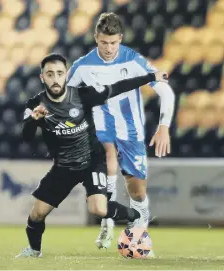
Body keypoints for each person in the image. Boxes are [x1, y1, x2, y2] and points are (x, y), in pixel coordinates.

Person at [16, 53, 168, 257]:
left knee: (98, 209)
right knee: (37, 214)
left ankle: (135, 215)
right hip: (63, 167)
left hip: (91, 161)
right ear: (42, 77)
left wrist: (150, 77)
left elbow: (117, 87)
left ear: (65, 75)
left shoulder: (82, 95)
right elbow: (25, 137)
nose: (55, 78)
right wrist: (33, 120)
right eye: (50, 74)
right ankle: (34, 251)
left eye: (60, 73)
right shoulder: (35, 105)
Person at [67, 12, 175, 249]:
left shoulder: (133, 60)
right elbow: (65, 100)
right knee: (106, 161)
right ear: (96, 38)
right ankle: (109, 223)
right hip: (101, 131)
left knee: (137, 191)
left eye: (113, 42)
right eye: (104, 42)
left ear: (121, 39)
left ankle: (138, 229)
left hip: (131, 133)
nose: (108, 48)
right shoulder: (82, 66)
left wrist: (164, 126)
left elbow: (165, 90)